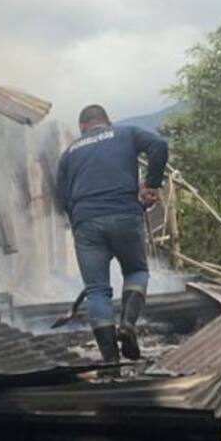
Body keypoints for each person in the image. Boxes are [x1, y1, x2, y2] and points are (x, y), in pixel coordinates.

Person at [56, 104, 169, 363]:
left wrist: (79, 223)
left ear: (82, 127)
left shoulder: (69, 152)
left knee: (96, 291)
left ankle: (111, 362)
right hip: (124, 214)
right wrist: (150, 186)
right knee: (136, 271)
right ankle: (127, 324)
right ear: (106, 121)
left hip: (85, 224)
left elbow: (60, 197)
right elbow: (159, 146)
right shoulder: (126, 133)